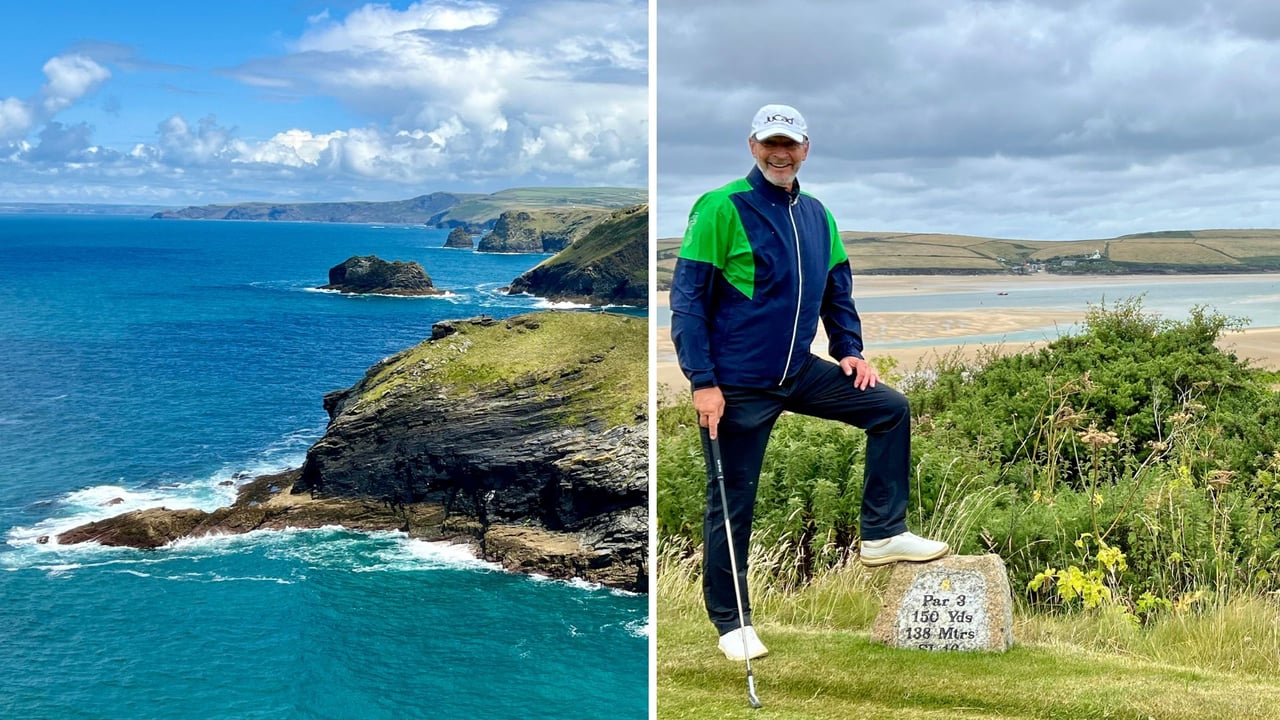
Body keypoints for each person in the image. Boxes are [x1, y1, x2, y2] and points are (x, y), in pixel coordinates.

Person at [669, 103, 949, 662]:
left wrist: (849, 351)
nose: (780, 153)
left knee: (889, 407)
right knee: (731, 502)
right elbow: (687, 302)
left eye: (790, 144)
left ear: (806, 148)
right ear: (752, 145)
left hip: (798, 372)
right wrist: (703, 381)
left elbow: (835, 291)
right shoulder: (721, 206)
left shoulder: (818, 215)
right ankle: (732, 623)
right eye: (770, 142)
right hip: (736, 385)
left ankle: (882, 534)